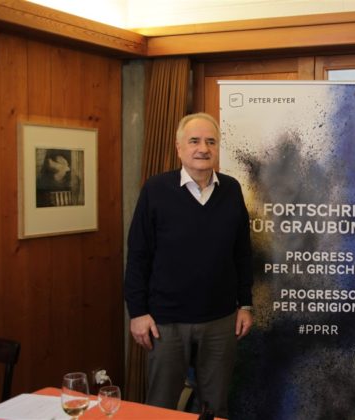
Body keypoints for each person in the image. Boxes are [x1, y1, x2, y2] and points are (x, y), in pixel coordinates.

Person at [124, 112, 253, 418]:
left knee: (215, 408)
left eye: (211, 142)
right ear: (179, 147)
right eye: (194, 141)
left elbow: (242, 253)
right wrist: (138, 312)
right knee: (160, 408)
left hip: (221, 320)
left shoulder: (231, 190)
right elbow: (138, 255)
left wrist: (245, 304)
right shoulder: (156, 190)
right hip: (165, 322)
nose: (203, 149)